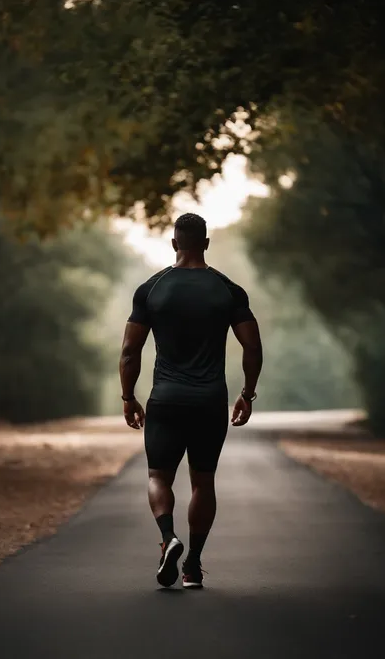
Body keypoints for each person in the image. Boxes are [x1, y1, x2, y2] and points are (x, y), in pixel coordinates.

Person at [119, 213, 262, 588]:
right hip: (210, 400)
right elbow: (252, 346)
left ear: (174, 244)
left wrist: (128, 397)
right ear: (206, 244)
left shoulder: (151, 289)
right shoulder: (228, 290)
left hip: (165, 399)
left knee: (157, 476)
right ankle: (193, 566)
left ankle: (169, 538)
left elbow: (129, 352)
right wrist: (247, 393)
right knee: (203, 482)